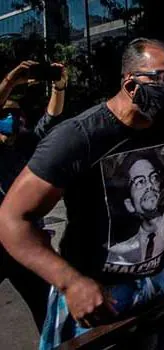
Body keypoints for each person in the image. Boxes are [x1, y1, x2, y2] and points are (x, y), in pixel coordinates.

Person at [0, 38, 164, 348]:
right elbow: (12, 218)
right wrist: (70, 283)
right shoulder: (78, 137)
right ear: (131, 84)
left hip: (155, 285)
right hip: (97, 298)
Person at [0, 60, 68, 332]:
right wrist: (10, 81)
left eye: (17, 115)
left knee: (47, 314)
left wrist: (59, 87)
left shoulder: (27, 141)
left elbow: (51, 118)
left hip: (25, 242)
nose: (13, 120)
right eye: (6, 114)